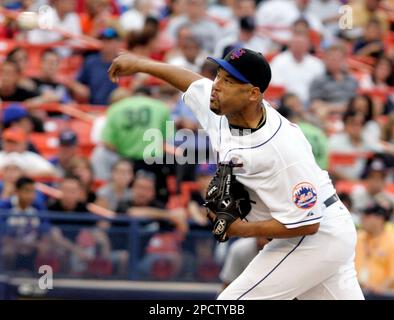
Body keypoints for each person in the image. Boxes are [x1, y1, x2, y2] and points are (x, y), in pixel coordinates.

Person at [108, 47, 364, 299]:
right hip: (319, 232)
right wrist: (141, 63)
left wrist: (240, 228)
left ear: (253, 94)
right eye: (219, 75)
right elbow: (191, 82)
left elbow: (309, 223)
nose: (217, 85)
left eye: (228, 80)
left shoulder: (283, 149)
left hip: (315, 235)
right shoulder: (224, 104)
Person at [355, 200, 394, 295]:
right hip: (356, 290)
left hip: (382, 295)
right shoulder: (358, 237)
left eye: (367, 215)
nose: (363, 218)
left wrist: (379, 289)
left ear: (380, 218)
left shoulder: (391, 241)